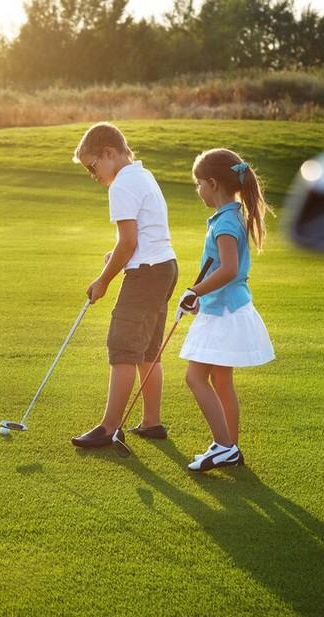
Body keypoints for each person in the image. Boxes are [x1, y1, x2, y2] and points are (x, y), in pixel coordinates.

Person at [70, 122, 179, 448]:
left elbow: (129, 241)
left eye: (92, 166)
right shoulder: (143, 176)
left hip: (146, 273)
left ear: (108, 153)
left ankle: (108, 428)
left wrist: (103, 281)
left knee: (122, 348)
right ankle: (151, 422)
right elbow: (140, 236)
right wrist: (115, 255)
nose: (93, 174)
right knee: (148, 350)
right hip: (165, 267)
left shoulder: (120, 187)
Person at [177, 148, 275, 471]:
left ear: (213, 184)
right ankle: (229, 447)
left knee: (194, 377)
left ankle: (224, 446)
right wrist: (199, 297)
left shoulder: (225, 223)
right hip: (225, 308)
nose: (198, 190)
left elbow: (229, 268)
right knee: (221, 381)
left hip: (223, 312)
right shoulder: (230, 217)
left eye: (199, 184)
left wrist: (194, 290)